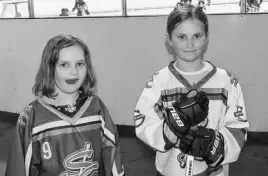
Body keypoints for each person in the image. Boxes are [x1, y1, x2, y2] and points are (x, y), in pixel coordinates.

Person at [134, 4, 249, 176]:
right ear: (169, 39)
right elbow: (143, 120)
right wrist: (170, 129)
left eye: (197, 35)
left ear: (207, 37)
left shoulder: (227, 82)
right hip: (170, 171)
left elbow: (238, 128)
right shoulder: (159, 81)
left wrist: (216, 144)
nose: (190, 44)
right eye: (181, 36)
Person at [5, 34, 125, 176]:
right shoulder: (32, 116)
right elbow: (18, 168)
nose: (74, 72)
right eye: (64, 65)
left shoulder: (96, 108)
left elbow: (113, 159)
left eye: (80, 64)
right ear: (49, 68)